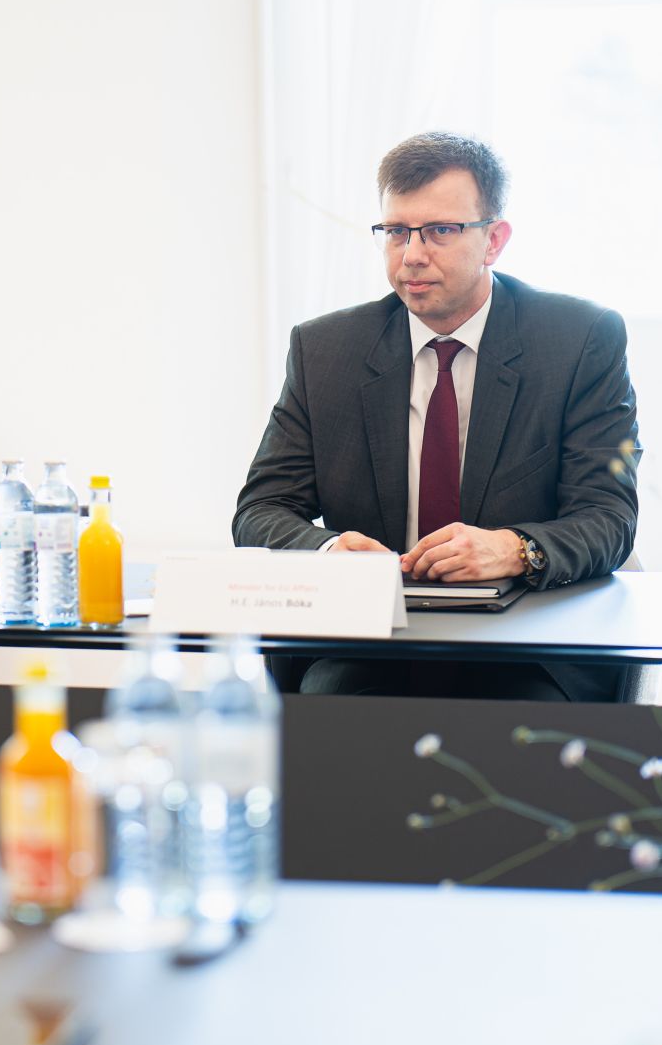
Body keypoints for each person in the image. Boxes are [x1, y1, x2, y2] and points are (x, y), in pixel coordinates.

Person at [234, 132, 640, 702]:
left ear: (494, 240)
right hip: (370, 642)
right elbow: (262, 509)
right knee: (329, 712)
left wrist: (515, 548)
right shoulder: (325, 350)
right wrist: (327, 552)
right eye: (396, 231)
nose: (412, 254)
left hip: (527, 641)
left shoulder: (578, 341)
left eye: (440, 231)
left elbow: (608, 516)